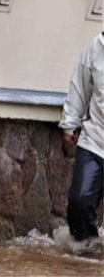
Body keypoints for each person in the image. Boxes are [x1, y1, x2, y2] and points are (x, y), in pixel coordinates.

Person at [59, 33, 103, 245]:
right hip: (95, 141)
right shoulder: (97, 47)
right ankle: (86, 252)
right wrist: (70, 123)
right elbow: (80, 85)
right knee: (79, 202)